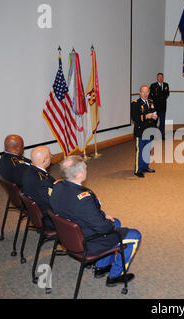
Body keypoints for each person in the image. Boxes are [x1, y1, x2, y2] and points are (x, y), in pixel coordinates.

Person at [49, 155, 142, 286]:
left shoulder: (57, 188)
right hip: (87, 241)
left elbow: (82, 213)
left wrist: (104, 217)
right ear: (80, 175)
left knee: (116, 222)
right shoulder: (84, 198)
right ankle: (115, 276)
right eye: (85, 169)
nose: (87, 171)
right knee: (135, 235)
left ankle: (102, 266)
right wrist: (108, 222)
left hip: (69, 236)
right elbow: (103, 228)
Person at [22, 146, 55, 229]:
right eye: (50, 155)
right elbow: (53, 202)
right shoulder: (43, 181)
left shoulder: (28, 172)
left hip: (37, 213)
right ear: (44, 160)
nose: (51, 156)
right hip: (49, 219)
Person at [131, 85, 157, 178]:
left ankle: (145, 167)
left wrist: (154, 116)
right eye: (143, 92)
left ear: (149, 92)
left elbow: (154, 112)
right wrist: (146, 116)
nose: (145, 94)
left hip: (149, 130)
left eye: (147, 92)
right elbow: (135, 118)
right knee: (140, 151)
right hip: (140, 131)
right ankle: (138, 170)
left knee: (147, 151)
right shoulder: (135, 103)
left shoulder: (150, 102)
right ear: (140, 93)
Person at [149, 73, 170, 140]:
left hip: (163, 107)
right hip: (155, 107)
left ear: (163, 78)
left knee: (162, 122)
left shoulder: (166, 85)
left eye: (161, 77)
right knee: (154, 122)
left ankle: (161, 135)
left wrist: (163, 98)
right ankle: (153, 135)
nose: (160, 78)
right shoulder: (153, 85)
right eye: (159, 77)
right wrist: (152, 104)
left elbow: (167, 94)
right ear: (157, 78)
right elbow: (150, 95)